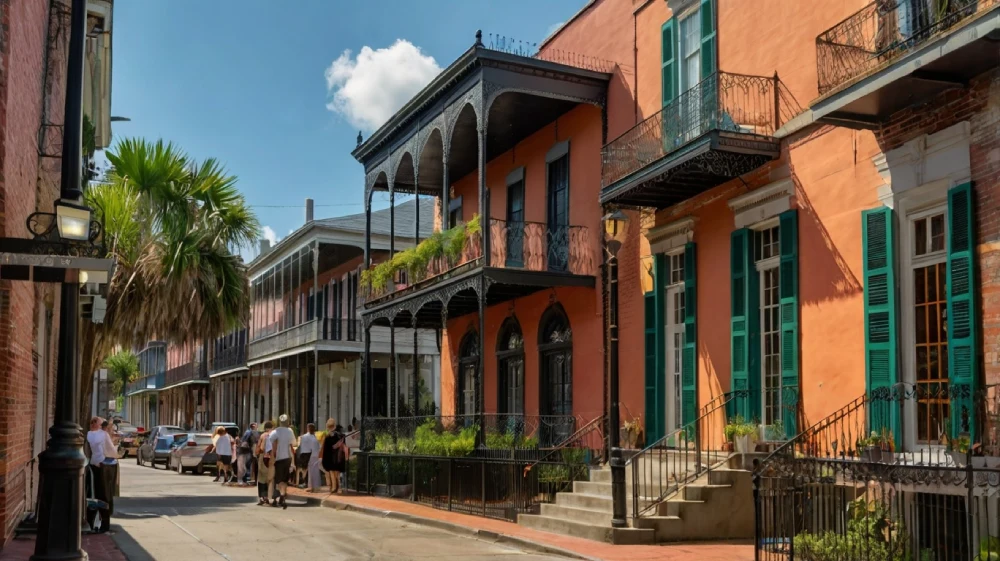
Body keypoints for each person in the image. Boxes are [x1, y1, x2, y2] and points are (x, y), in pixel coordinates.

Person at [85, 417, 116, 533]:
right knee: (104, 495)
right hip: (103, 466)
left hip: (92, 464)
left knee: (91, 494)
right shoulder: (104, 435)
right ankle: (104, 524)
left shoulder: (88, 434)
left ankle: (90, 522)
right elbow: (111, 451)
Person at [267, 414, 296, 509]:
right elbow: (294, 443)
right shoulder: (290, 431)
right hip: (287, 458)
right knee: (284, 479)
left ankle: (282, 494)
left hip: (278, 458)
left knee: (278, 480)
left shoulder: (275, 432)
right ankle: (282, 495)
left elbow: (269, 441)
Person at [319, 419, 347, 494]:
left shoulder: (328, 437)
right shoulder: (341, 435)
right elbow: (344, 447)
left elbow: (325, 449)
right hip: (339, 457)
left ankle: (334, 487)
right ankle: (339, 487)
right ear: (334, 426)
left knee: (332, 472)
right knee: (337, 473)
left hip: (330, 458)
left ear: (328, 427)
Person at [297, 424, 321, 492]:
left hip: (306, 454)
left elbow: (301, 446)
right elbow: (318, 447)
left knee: (306, 470)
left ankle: (307, 484)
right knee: (313, 470)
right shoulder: (314, 438)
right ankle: (312, 485)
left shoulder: (304, 437)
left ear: (308, 428)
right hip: (313, 455)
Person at [256, 421, 273, 506]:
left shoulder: (263, 435)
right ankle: (270, 496)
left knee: (261, 478)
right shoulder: (274, 434)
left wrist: (257, 454)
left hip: (263, 457)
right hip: (273, 457)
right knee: (270, 478)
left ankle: (262, 497)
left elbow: (259, 447)